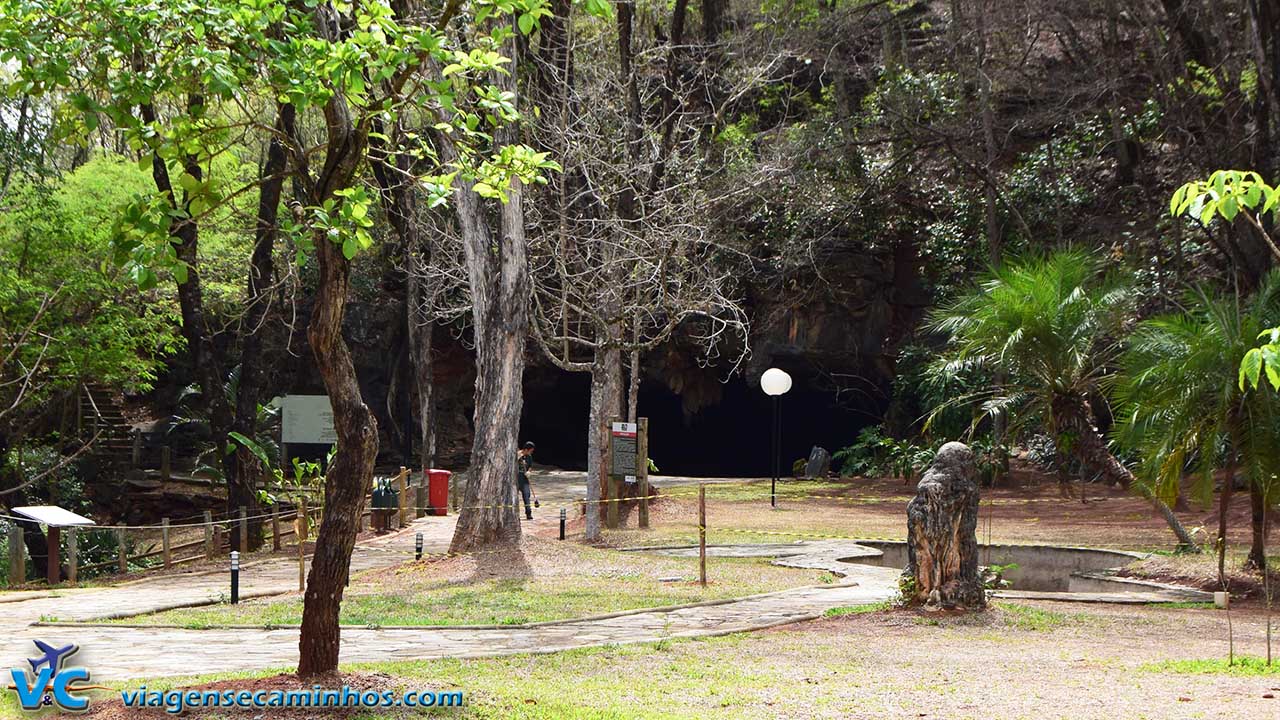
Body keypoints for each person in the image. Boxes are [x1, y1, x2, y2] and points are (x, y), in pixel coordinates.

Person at [517, 441, 536, 520]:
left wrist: (529, 471)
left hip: (525, 479)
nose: (531, 452)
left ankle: (528, 513)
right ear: (526, 449)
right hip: (517, 478)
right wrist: (519, 457)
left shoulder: (529, 457)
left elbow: (530, 466)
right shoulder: (518, 455)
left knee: (526, 495)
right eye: (530, 450)